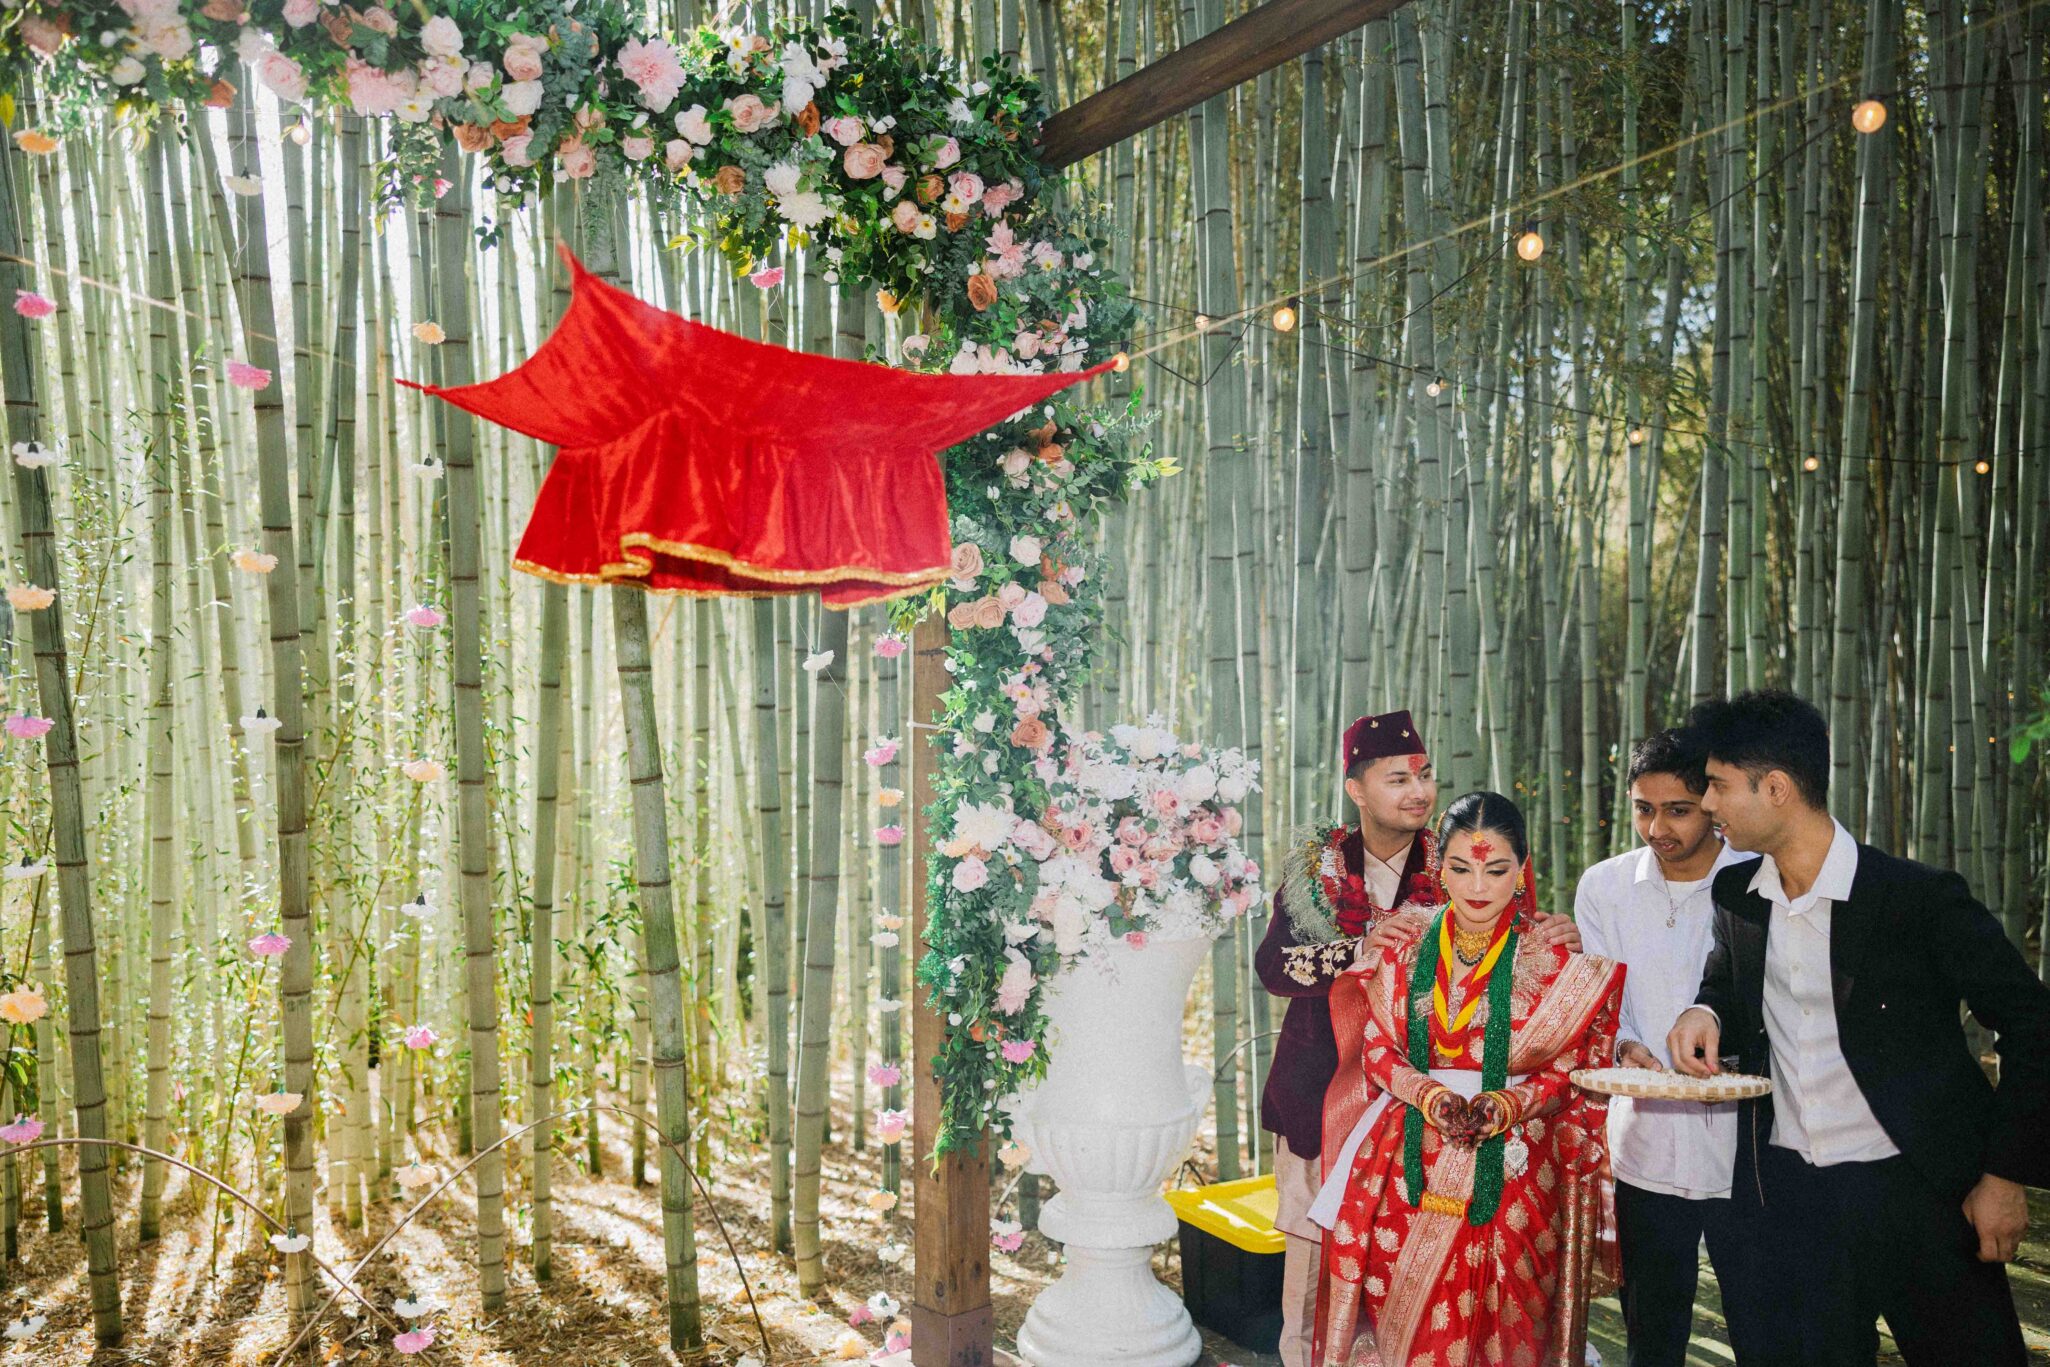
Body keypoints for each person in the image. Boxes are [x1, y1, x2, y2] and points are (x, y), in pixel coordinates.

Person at [1666, 690, 2050, 1367]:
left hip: (1922, 1192)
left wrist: (2004, 1174)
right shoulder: (1736, 898)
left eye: (1720, 786)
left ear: (1777, 787)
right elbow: (1726, 981)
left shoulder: (1917, 900)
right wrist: (1707, 1010)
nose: (1709, 806)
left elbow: (2033, 1021)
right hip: (1794, 1200)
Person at [1254, 713, 1582, 1367]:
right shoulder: (1318, 869)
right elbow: (1272, 967)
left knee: (1409, 1267)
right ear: (1356, 787)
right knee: (1316, 1264)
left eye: (1426, 774)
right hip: (1324, 1088)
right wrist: (1353, 952)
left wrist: (1552, 935)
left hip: (1426, 1103)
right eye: (1398, 776)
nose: (1418, 790)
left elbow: (1512, 940)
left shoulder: (1456, 858)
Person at [1310, 792, 1624, 1367]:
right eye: (1460, 868)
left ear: (1523, 869)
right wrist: (1428, 1094)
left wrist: (1505, 1106)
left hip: (1515, 1166)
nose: (1478, 885)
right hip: (1405, 1158)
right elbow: (1377, 1049)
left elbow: (1571, 1070)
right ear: (1439, 869)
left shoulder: (1553, 956)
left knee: (1504, 1321)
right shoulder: (1404, 942)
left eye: (1496, 869)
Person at [1575, 729, 1765, 1366]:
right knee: (1652, 1337)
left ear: (1712, 804)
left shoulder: (1759, 879)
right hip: (1645, 1147)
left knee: (1768, 1328)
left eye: (1677, 810)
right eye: (1642, 808)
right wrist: (1626, 1043)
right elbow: (1603, 1005)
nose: (1656, 827)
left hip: (1750, 1151)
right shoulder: (1603, 888)